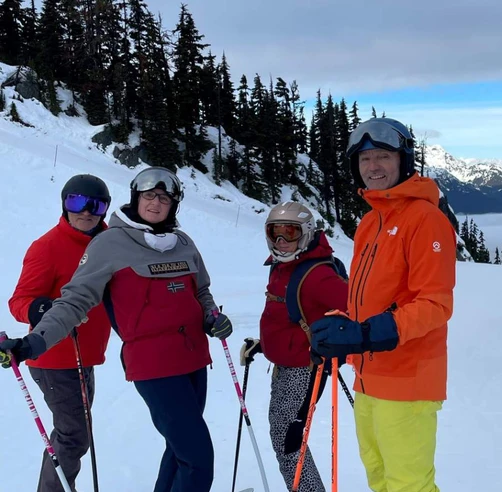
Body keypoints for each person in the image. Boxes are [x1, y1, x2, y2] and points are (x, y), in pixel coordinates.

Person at [0, 166, 233, 492]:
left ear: (174, 205)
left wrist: (211, 316)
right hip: (150, 362)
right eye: (149, 196)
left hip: (194, 360)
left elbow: (201, 292)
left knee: (178, 448)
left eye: (164, 198)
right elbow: (72, 301)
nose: (156, 203)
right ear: (136, 198)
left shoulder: (182, 242)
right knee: (197, 457)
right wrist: (32, 342)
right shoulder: (109, 244)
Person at [309, 118, 457, 492]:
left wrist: (366, 333)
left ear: (403, 161)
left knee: (408, 485)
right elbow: (372, 298)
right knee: (379, 478)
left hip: (407, 379)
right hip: (367, 377)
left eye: (383, 157)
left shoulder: (425, 219)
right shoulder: (370, 221)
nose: (373, 167)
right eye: (365, 159)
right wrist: (342, 328)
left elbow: (435, 303)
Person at [5, 174, 112, 492]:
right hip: (53, 358)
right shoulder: (47, 247)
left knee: (75, 433)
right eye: (76, 202)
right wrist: (37, 308)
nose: (86, 211)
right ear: (64, 204)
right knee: (73, 436)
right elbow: (18, 300)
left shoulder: (110, 245)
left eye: (96, 205)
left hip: (85, 357)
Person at [240, 201, 348, 492]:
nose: (281, 241)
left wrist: (337, 342)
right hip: (287, 365)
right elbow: (291, 315)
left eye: (290, 233)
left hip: (304, 369)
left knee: (288, 440)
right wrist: (265, 344)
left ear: (306, 233)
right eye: (275, 233)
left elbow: (358, 306)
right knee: (286, 436)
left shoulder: (316, 274)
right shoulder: (284, 266)